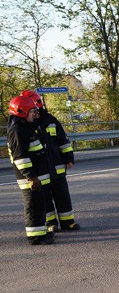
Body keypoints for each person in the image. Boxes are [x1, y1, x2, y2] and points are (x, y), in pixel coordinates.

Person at [21, 90, 80, 232]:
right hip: (41, 169)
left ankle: (68, 222)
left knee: (63, 196)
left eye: (36, 109)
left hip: (57, 166)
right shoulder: (27, 125)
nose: (35, 113)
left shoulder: (51, 120)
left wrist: (69, 158)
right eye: (32, 110)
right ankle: (51, 224)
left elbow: (63, 141)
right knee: (45, 198)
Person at [7, 95, 53, 245]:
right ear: (22, 112)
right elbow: (20, 157)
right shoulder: (17, 130)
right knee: (33, 206)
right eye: (32, 111)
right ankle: (35, 236)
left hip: (35, 176)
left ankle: (41, 232)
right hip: (30, 178)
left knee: (39, 205)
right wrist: (31, 177)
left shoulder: (27, 128)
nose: (35, 114)